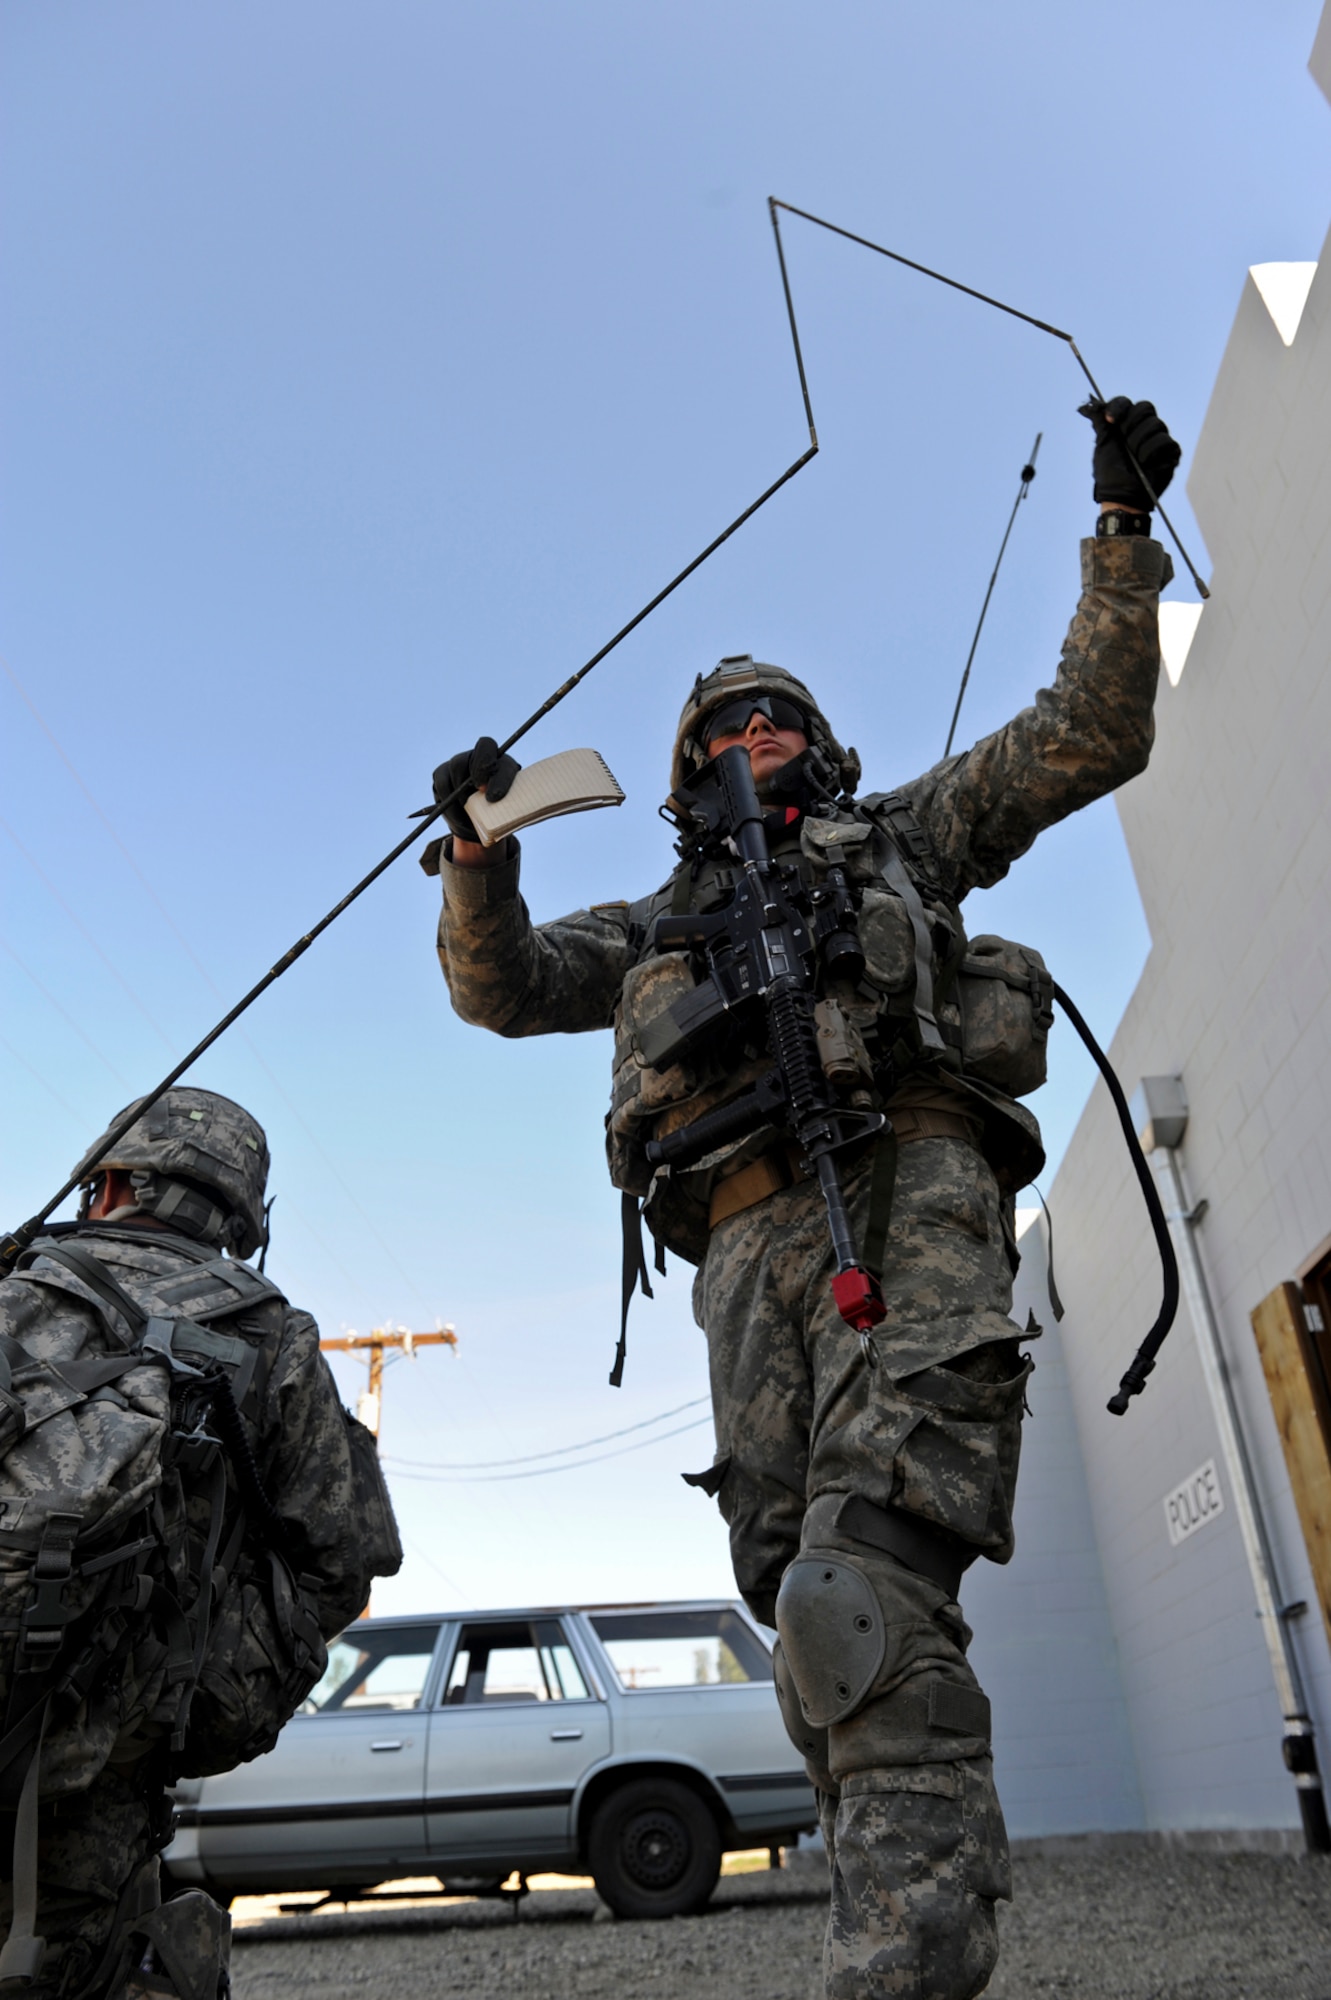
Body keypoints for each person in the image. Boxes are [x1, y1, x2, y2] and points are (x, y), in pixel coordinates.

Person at [427, 398, 1181, 1999]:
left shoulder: (902, 835)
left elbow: (1087, 730)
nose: (742, 739)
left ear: (815, 745)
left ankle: (898, 1965)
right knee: (802, 1614)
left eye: (769, 720)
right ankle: (919, 1906)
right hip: (739, 1267)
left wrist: (1116, 536)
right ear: (687, 771)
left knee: (866, 1584)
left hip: (902, 1201)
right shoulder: (651, 925)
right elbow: (497, 991)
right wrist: (476, 856)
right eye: (717, 729)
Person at [0, 1088, 402, 2000]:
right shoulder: (271, 1337)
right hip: (102, 1775)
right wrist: (193, 1702)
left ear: (104, 1183)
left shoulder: (12, 1289)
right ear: (240, 1221)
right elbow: (345, 1559)